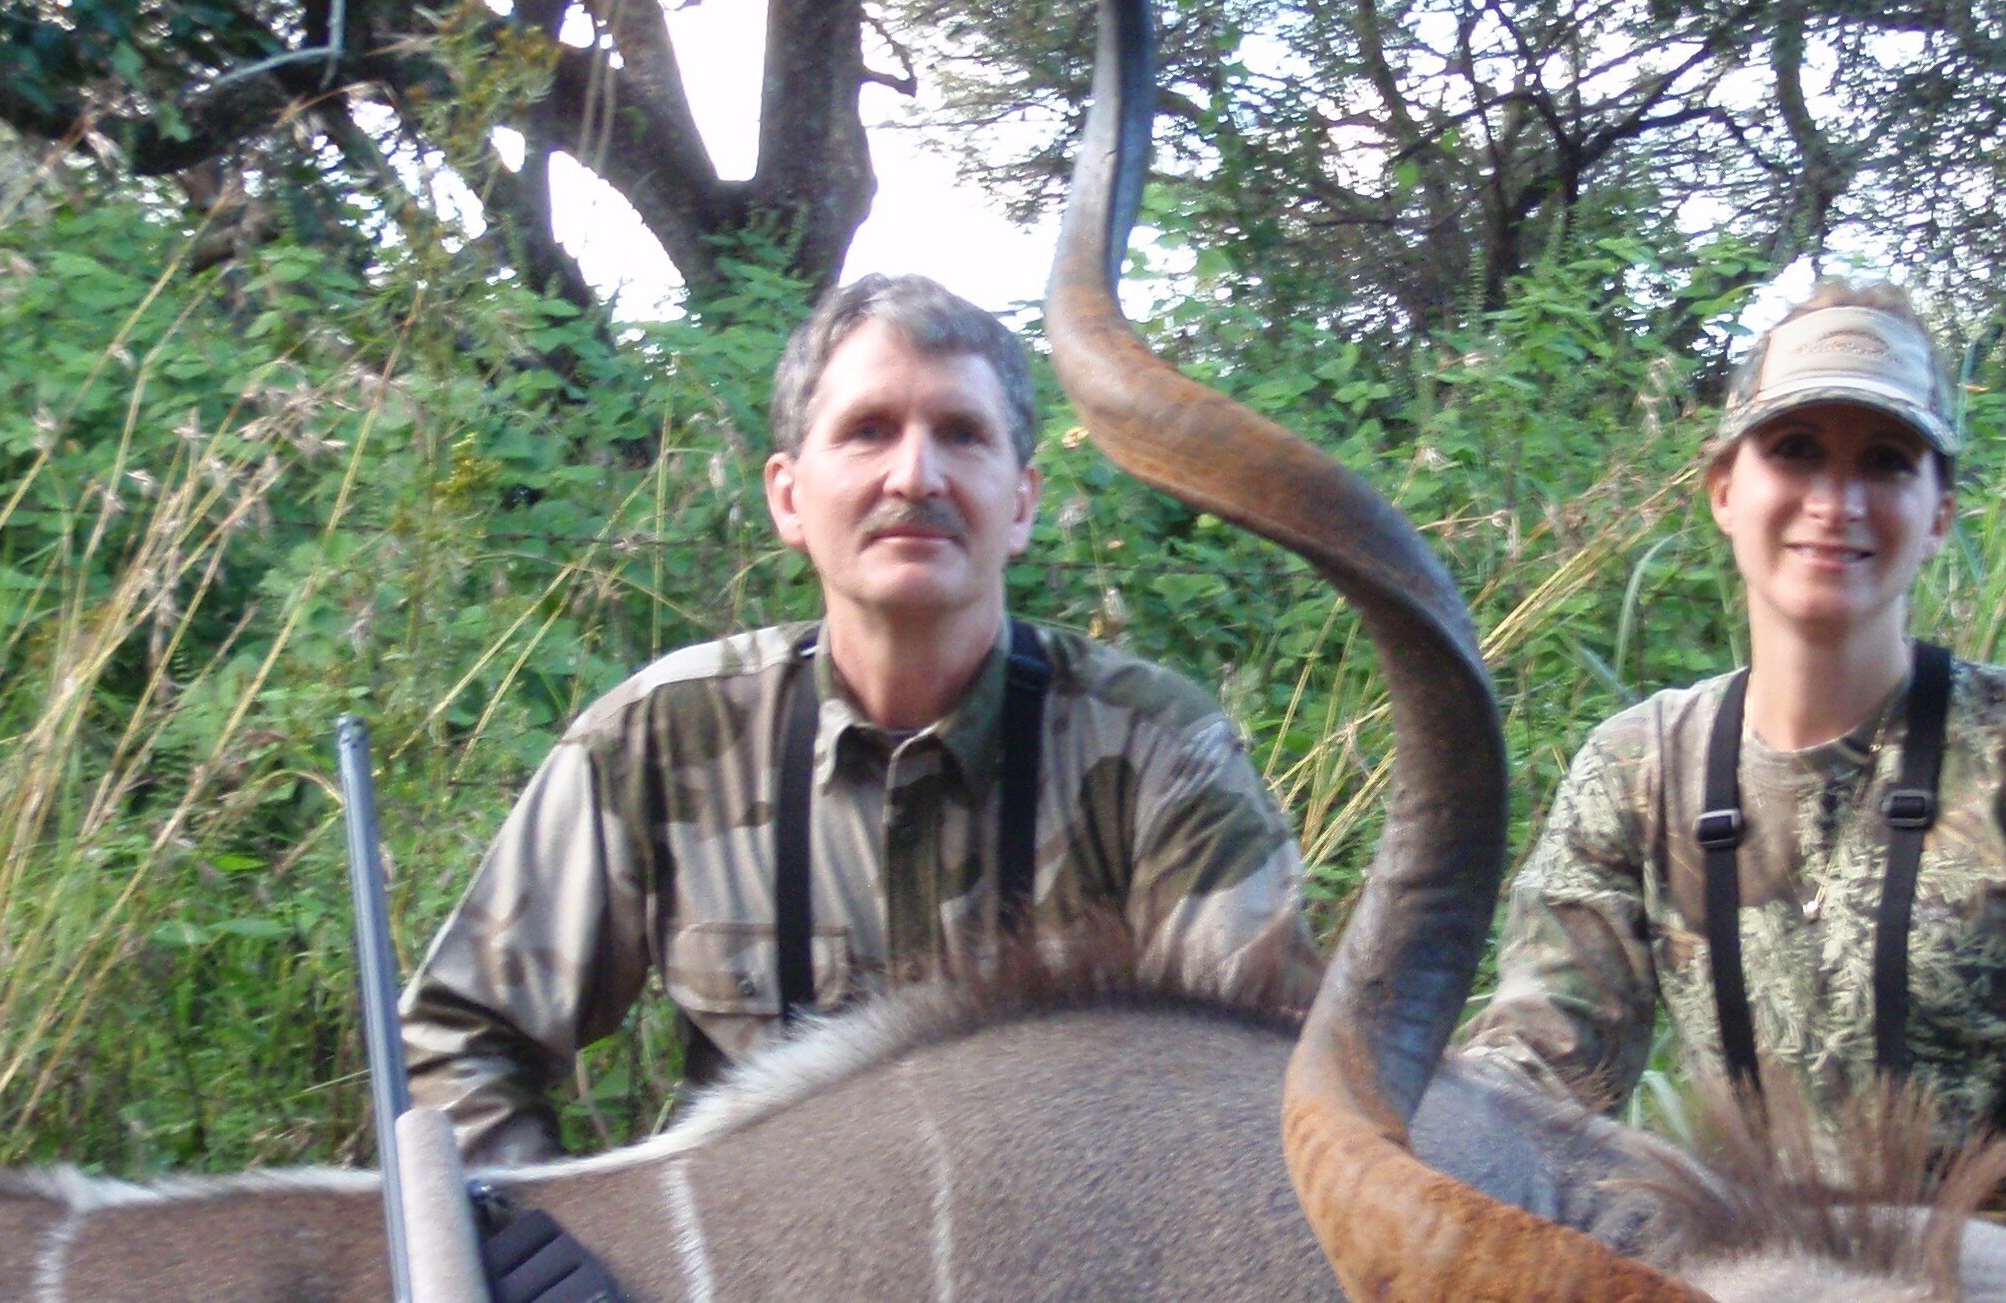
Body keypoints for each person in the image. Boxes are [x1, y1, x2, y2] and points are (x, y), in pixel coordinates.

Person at [403, 274, 1323, 1165]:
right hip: (767, 1280)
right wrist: (554, 1276)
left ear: (1022, 504)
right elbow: (457, 1041)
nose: (915, 475)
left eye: (962, 435)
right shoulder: (659, 736)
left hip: (1067, 1278)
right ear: (788, 496)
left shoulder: (1159, 749)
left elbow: (1262, 1073)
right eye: (867, 431)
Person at [1457, 281, 2006, 1301]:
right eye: (1795, 452)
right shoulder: (1639, 765)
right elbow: (1532, 1081)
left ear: (1938, 515)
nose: (1837, 502)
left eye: (1885, 462)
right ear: (1724, 491)